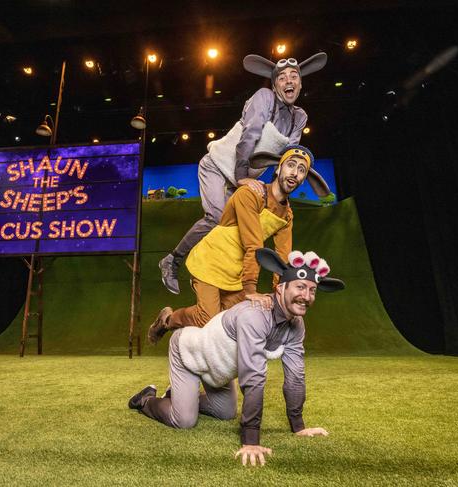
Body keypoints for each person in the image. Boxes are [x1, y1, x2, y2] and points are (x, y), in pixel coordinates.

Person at [129, 248, 345, 467]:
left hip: (219, 370)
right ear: (280, 288)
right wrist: (250, 440)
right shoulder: (255, 316)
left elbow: (295, 377)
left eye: (313, 290)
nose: (306, 296)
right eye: (300, 287)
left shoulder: (296, 326)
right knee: (184, 420)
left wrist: (298, 426)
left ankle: (176, 394)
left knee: (225, 412)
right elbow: (254, 378)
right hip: (190, 354)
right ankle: (145, 399)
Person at [159, 52, 329, 295]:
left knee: (237, 230)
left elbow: (287, 157)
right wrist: (242, 177)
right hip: (218, 167)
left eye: (294, 76)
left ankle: (210, 275)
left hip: (244, 180)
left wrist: (277, 193)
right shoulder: (264, 98)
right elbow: (248, 138)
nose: (289, 81)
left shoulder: (299, 118)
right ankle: (172, 261)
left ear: (301, 84)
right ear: (274, 84)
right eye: (282, 78)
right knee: (217, 218)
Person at [148, 145, 331, 344]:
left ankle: (228, 373)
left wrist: (281, 295)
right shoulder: (251, 194)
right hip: (211, 261)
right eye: (291, 165)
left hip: (235, 273)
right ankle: (167, 320)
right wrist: (251, 290)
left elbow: (283, 257)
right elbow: (253, 245)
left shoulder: (287, 215)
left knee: (232, 321)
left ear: (304, 179)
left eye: (301, 170)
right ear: (278, 168)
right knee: (208, 319)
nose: (295, 173)